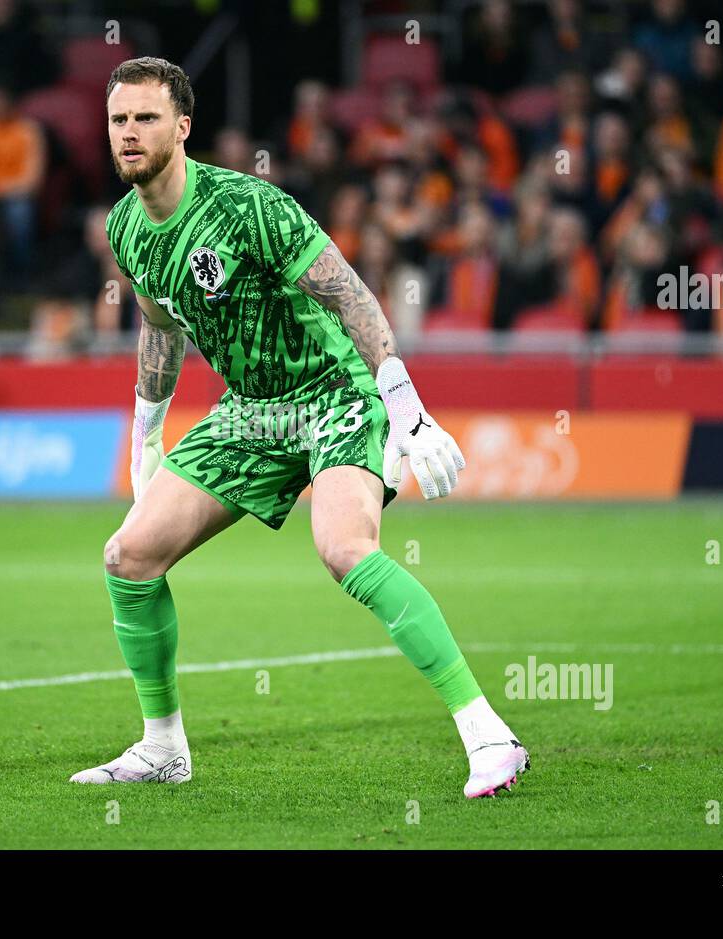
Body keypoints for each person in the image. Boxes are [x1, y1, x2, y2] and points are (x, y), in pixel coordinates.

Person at [72, 57, 527, 799]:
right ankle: (163, 748)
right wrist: (145, 436)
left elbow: (352, 296)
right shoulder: (126, 227)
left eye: (146, 118)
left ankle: (489, 734)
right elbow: (159, 326)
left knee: (345, 548)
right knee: (129, 555)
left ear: (182, 128)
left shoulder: (248, 206)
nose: (129, 132)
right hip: (251, 409)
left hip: (332, 390)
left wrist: (406, 408)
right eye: (119, 119)